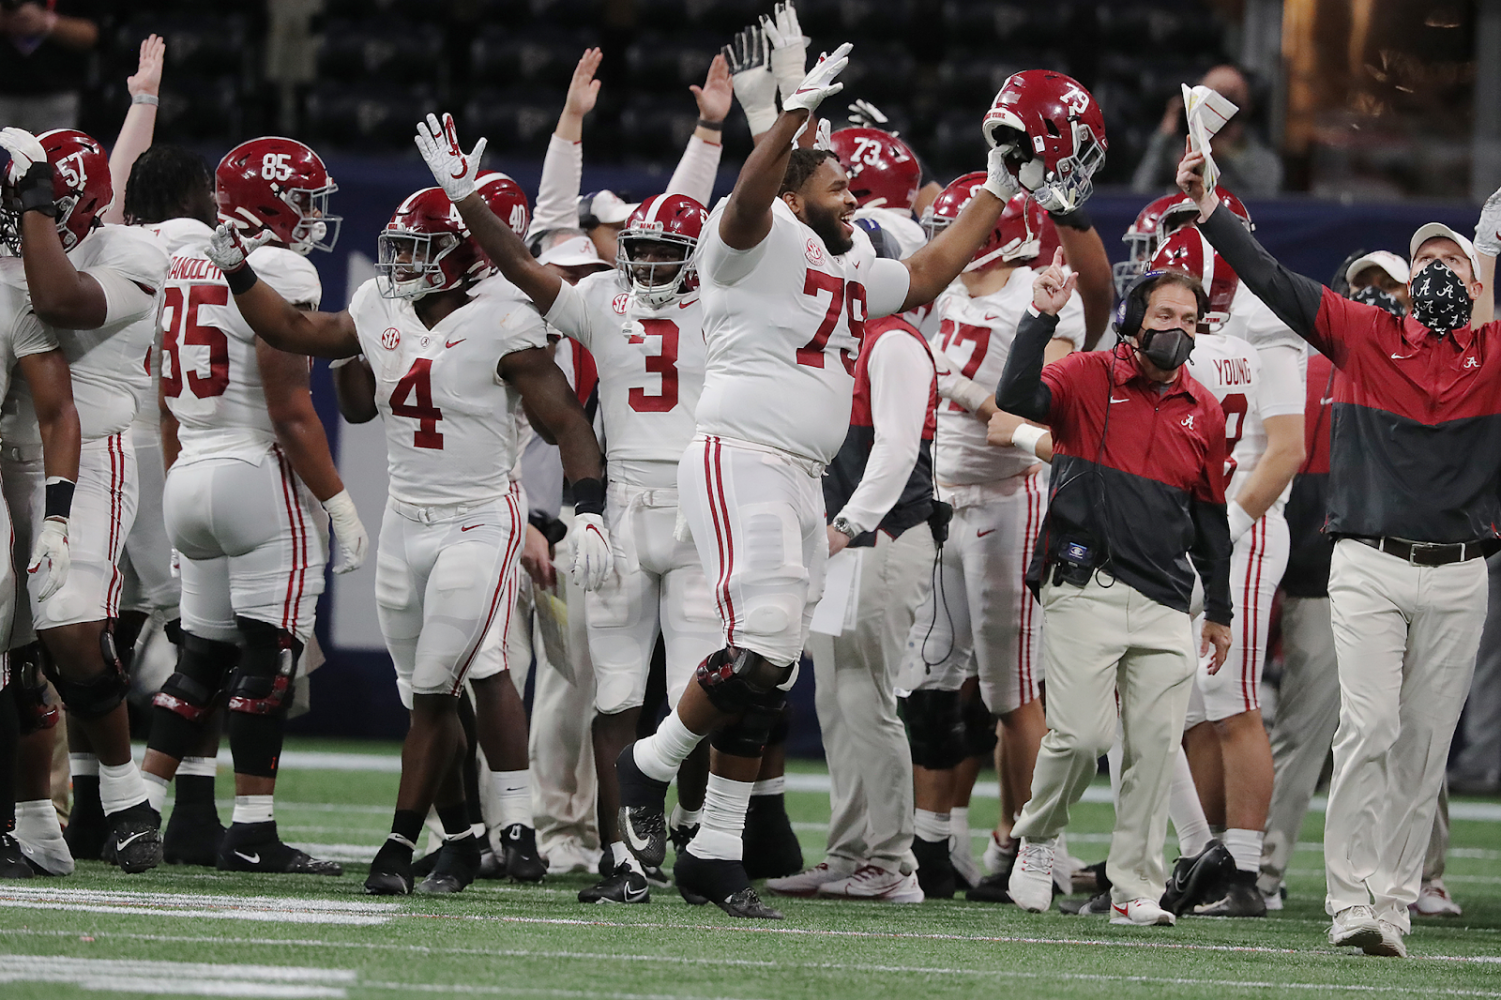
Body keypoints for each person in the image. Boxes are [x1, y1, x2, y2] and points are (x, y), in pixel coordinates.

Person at [603, 43, 1022, 919]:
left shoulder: (841, 267)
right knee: (755, 643)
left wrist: (995, 184)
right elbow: (752, 192)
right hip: (739, 457)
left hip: (800, 477)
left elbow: (928, 270)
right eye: (838, 189)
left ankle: (714, 851)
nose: (853, 200)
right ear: (798, 197)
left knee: (775, 666)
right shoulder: (756, 240)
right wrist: (789, 115)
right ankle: (646, 766)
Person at [205, 174, 610, 896]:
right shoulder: (381, 301)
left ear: (470, 255)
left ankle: (402, 843)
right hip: (404, 519)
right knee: (430, 690)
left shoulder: (505, 318)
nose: (404, 261)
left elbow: (568, 424)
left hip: (479, 518)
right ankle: (463, 838)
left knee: (439, 684)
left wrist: (586, 509)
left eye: (423, 248)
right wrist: (237, 272)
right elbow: (306, 341)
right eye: (400, 247)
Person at [1178, 145, 1501, 958]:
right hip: (1368, 563)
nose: (1434, 271)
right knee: (1366, 727)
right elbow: (1268, 275)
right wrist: (1211, 206)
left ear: (1475, 285)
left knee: (1423, 746)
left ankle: (1391, 902)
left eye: (1450, 260)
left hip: (1459, 570)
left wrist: (1491, 248)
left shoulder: (1491, 356)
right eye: (1422, 257)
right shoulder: (1363, 332)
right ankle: (1351, 903)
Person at [440, 176, 721, 904]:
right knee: (615, 693)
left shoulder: (730, 302)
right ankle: (625, 857)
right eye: (640, 251)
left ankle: (694, 829)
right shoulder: (603, 301)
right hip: (622, 507)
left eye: (666, 253)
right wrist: (469, 199)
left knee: (700, 693)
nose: (649, 265)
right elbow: (515, 262)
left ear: (697, 258)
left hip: (698, 505)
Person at [139, 137, 366, 876]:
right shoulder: (278, 268)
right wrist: (338, 502)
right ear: (271, 201)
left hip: (190, 470)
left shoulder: (181, 260)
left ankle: (137, 810)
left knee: (200, 657)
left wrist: (189, 478)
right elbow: (291, 408)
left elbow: (171, 403)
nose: (312, 217)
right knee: (268, 661)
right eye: (304, 200)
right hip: (255, 472)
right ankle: (252, 830)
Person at [996, 257, 1233, 927]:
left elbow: (1210, 517)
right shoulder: (1085, 375)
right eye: (1163, 316)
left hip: (1164, 597)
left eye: (1188, 320)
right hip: (1084, 581)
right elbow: (1014, 399)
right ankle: (1036, 837)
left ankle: (1135, 889)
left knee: (1154, 749)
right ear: (1133, 320)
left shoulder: (1203, 410)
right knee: (1078, 738)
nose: (1176, 330)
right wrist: (1039, 317)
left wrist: (1217, 607)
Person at [891, 181, 1085, 902]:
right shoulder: (947, 296)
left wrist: (968, 393)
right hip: (943, 499)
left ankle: (1040, 849)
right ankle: (930, 846)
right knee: (933, 677)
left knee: (1008, 690)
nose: (948, 236)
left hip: (1010, 502)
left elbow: (1052, 420)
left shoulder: (1035, 299)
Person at [0, 125, 169, 874]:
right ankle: (36, 826)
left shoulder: (131, 253)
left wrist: (35, 202)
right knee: (16, 654)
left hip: (88, 456)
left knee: (68, 625)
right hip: (7, 458)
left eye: (38, 205)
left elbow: (59, 299)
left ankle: (126, 800)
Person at [766, 218, 938, 905]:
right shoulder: (844, 337)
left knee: (868, 697)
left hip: (882, 536)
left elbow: (896, 452)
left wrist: (847, 524)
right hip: (843, 539)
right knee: (838, 703)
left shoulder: (894, 339)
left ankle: (893, 862)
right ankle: (848, 854)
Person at [1131, 65, 1282, 197]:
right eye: (1213, 96)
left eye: (1230, 98)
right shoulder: (1177, 149)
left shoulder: (1260, 159)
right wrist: (1164, 137)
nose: (1220, 107)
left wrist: (1225, 154)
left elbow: (1265, 202)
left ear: (1247, 106)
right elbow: (1139, 191)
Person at [0, 1, 99, 132]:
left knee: (56, 150)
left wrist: (46, 22)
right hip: (4, 93)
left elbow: (93, 35)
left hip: (57, 94)